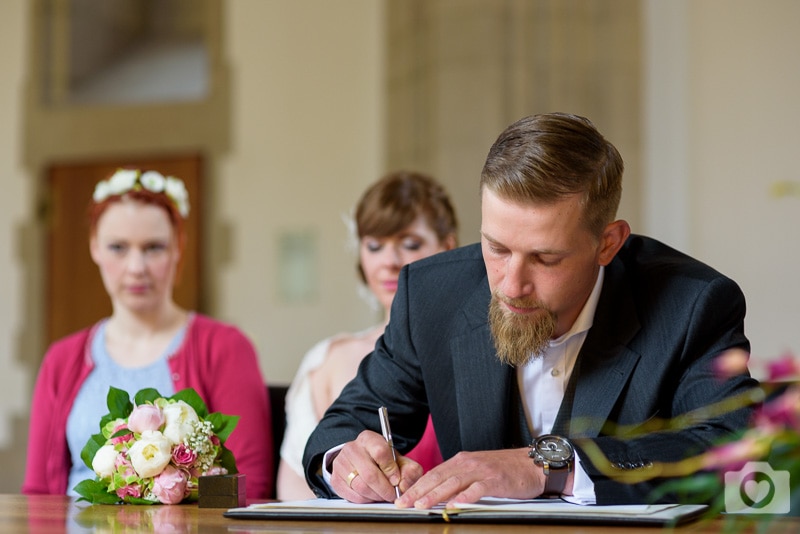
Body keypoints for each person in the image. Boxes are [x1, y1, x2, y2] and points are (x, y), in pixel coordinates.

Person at [303, 113, 758, 507]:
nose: (510, 284)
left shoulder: (693, 304)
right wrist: (346, 462)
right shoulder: (431, 294)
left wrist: (550, 466)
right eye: (496, 247)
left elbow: (734, 448)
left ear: (608, 243)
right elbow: (343, 426)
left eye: (545, 258)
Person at [22, 168, 274, 499]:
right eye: (118, 247)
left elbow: (250, 484)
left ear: (178, 248)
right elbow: (39, 491)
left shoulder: (225, 348)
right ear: (94, 248)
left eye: (153, 247)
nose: (136, 266)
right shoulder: (61, 359)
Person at [277, 171, 459, 500]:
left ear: (448, 247)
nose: (389, 262)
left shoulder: (470, 351)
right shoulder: (327, 360)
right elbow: (295, 492)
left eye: (410, 244)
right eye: (375, 246)